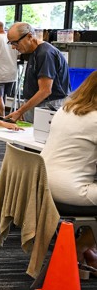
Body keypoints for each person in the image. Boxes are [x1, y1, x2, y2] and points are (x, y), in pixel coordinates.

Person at [41, 71, 97, 272]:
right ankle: (79, 247)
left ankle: (88, 249)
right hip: (71, 191)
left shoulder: (64, 111)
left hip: (43, 186)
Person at [6, 22, 71, 123]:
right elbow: (34, 87)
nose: (13, 47)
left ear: (29, 36)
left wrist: (20, 111)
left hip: (48, 106)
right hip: (39, 105)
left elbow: (45, 90)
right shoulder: (34, 52)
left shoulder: (45, 54)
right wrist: (24, 108)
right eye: (11, 43)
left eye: (15, 42)